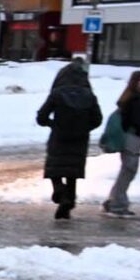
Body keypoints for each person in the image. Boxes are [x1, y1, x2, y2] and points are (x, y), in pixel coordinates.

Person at [35, 57, 102, 221]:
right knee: (72, 171)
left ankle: (59, 191)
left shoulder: (57, 94)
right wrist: (84, 128)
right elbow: (97, 119)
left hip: (59, 137)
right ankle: (69, 202)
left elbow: (41, 117)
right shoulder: (89, 95)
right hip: (80, 140)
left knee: (55, 167)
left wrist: (53, 124)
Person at [102, 70, 140, 218]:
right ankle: (117, 205)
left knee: (126, 170)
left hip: (128, 137)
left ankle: (113, 201)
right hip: (132, 138)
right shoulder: (136, 99)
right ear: (135, 82)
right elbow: (135, 121)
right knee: (129, 170)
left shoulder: (132, 96)